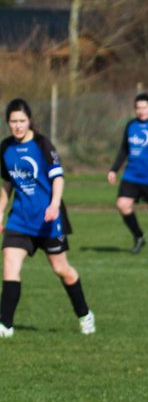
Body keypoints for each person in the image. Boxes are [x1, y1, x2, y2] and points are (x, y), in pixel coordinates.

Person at [0, 99, 94, 338]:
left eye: (22, 121)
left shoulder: (42, 145)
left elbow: (58, 178)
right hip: (19, 219)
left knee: (62, 270)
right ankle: (5, 325)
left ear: (29, 120)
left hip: (47, 219)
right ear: (7, 122)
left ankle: (84, 314)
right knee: (10, 266)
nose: (18, 126)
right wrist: (0, 211)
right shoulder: (5, 148)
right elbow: (7, 184)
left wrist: (54, 205)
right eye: (13, 121)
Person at [108, 92, 148, 255]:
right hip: (131, 175)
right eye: (138, 108)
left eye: (144, 107)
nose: (141, 111)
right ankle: (139, 236)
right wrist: (114, 169)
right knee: (122, 204)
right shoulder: (131, 126)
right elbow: (124, 149)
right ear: (135, 109)